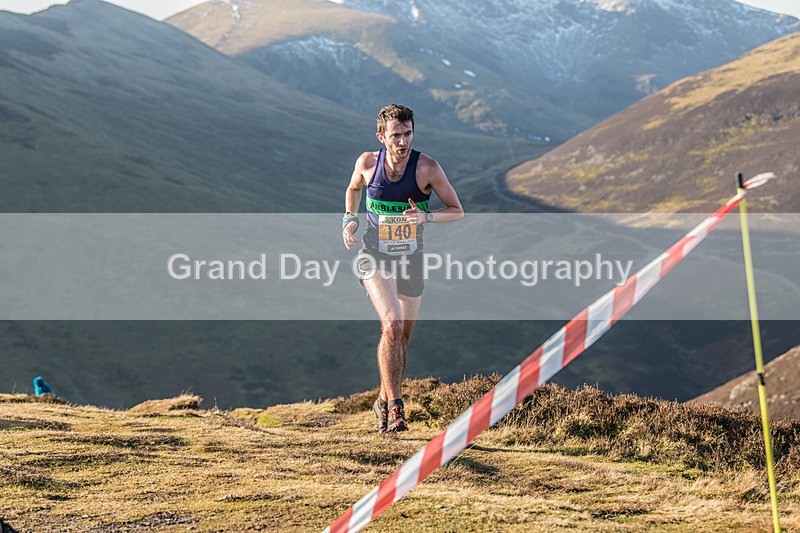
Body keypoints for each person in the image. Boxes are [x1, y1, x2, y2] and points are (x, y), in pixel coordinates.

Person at [342, 104, 464, 434]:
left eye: (408, 133)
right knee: (392, 325)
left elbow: (457, 210)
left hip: (411, 260)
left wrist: (427, 217)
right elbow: (353, 189)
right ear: (381, 136)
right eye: (396, 135)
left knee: (403, 340)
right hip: (373, 255)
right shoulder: (368, 163)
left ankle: (383, 401)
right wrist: (350, 220)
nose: (403, 141)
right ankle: (397, 408)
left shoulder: (427, 168)